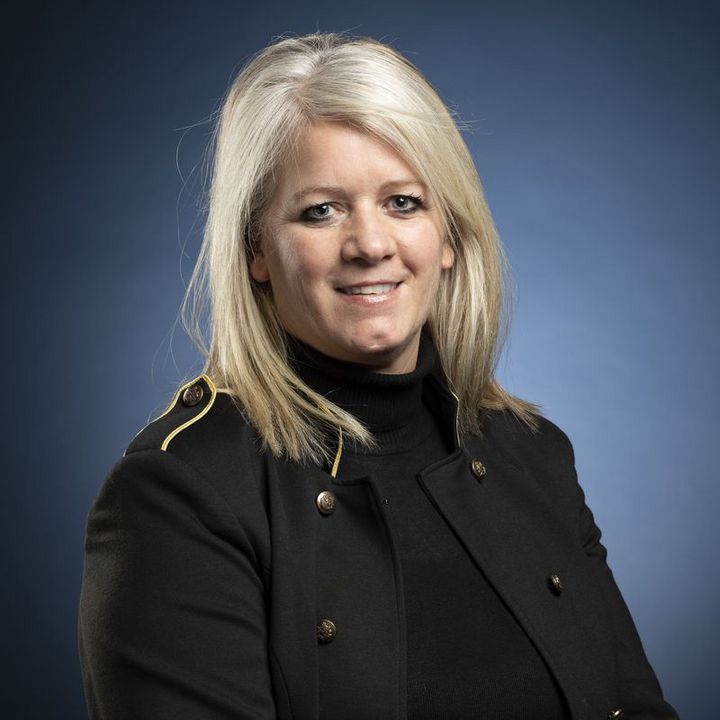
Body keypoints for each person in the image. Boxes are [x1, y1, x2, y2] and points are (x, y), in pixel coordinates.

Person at [78, 32, 678, 720]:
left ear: (449, 235)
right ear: (256, 251)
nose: (369, 244)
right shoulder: (180, 491)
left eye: (403, 203)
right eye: (321, 210)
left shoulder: (534, 454)